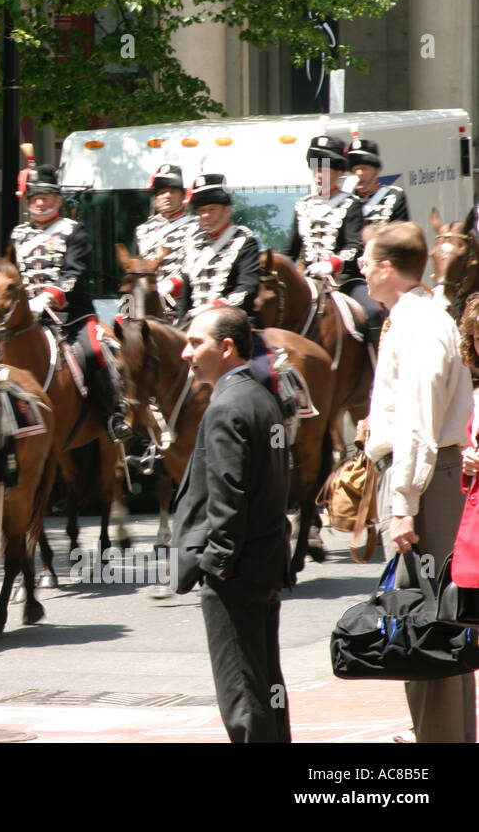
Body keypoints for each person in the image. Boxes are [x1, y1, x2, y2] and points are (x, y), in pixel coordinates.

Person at [360, 221, 473, 743]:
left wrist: (403, 502)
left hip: (425, 487)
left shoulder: (420, 322)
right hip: (422, 480)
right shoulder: (407, 317)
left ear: (386, 268)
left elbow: (419, 422)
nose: (359, 267)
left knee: (431, 628)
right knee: (421, 622)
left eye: (366, 258)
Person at [171, 305, 291, 743]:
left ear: (226, 348)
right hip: (262, 563)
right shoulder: (261, 397)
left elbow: (228, 495)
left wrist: (218, 562)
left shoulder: (227, 406)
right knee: (265, 686)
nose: (186, 353)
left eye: (194, 343)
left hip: (235, 573)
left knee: (242, 697)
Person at [9, 163, 131, 442]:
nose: (40, 203)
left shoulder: (74, 230)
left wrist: (47, 297)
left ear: (58, 201)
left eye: (46, 197)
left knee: (94, 351)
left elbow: (74, 275)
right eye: (35, 198)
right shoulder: (17, 235)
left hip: (71, 316)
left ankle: (113, 414)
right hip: (28, 318)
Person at [285, 134, 382, 353]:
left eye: (325, 169)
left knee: (372, 311)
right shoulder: (302, 205)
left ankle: (378, 367)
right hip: (308, 279)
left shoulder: (351, 204)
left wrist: (332, 264)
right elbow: (289, 249)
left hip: (343, 280)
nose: (319, 175)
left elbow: (355, 246)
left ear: (338, 172)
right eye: (316, 168)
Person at [157, 173, 260, 326]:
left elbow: (247, 288)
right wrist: (180, 324)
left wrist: (214, 308)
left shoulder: (244, 241)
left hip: (231, 322)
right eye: (201, 211)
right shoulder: (193, 242)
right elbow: (187, 288)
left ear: (227, 210)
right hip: (195, 322)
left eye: (212, 209)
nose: (205, 215)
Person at [133, 163, 195, 279]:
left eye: (172, 191)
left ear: (182, 196)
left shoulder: (195, 226)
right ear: (156, 198)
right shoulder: (142, 230)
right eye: (162, 192)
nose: (167, 196)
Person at [346, 138, 409, 226]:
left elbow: (402, 234)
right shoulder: (346, 201)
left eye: (364, 168)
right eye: (355, 169)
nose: (359, 173)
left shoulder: (394, 196)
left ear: (377, 170)